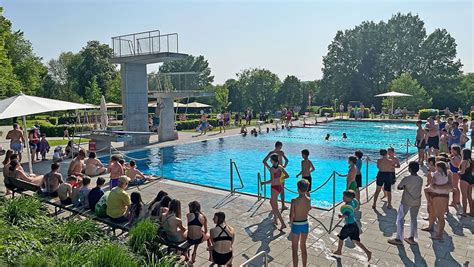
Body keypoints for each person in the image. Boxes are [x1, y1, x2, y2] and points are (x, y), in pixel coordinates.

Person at [388, 161, 423, 246]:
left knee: (400, 219)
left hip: (406, 201)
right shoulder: (420, 179)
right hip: (417, 201)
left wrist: (404, 187)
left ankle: (399, 238)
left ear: (410, 169)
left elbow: (399, 187)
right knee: (413, 219)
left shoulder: (406, 178)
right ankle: (412, 237)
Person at [333, 190, 371, 261]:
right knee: (356, 240)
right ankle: (367, 252)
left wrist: (341, 216)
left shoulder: (348, 207)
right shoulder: (352, 202)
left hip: (349, 226)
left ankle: (339, 251)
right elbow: (355, 204)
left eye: (344, 197)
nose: (343, 198)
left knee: (341, 237)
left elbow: (346, 214)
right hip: (354, 225)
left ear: (350, 198)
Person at [262, 154, 288, 230]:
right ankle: (275, 220)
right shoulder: (280, 167)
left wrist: (263, 183)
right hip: (279, 187)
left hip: (274, 188)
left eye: (270, 160)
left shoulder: (272, 169)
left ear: (273, 161)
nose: (270, 161)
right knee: (271, 202)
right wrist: (280, 179)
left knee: (275, 207)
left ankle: (282, 223)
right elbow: (287, 176)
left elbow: (271, 181)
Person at [290, 179, 311, 267]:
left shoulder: (294, 200)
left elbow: (291, 215)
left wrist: (291, 225)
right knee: (303, 247)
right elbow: (308, 209)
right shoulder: (309, 199)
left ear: (298, 189)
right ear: (306, 189)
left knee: (295, 249)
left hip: (296, 224)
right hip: (305, 224)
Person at [263, 141, 289, 211]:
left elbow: (287, 160)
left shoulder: (280, 152)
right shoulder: (272, 153)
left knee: (281, 189)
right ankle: (276, 204)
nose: (280, 148)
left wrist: (283, 167)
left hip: (278, 172)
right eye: (280, 147)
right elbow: (264, 161)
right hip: (276, 172)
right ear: (278, 146)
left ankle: (282, 205)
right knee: (275, 188)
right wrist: (269, 168)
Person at [459, 148, 473, 216]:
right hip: (471, 179)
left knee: (464, 196)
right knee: (469, 196)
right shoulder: (470, 160)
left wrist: (458, 172)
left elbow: (462, 172)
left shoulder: (464, 161)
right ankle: (471, 211)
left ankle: (464, 212)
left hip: (464, 179)